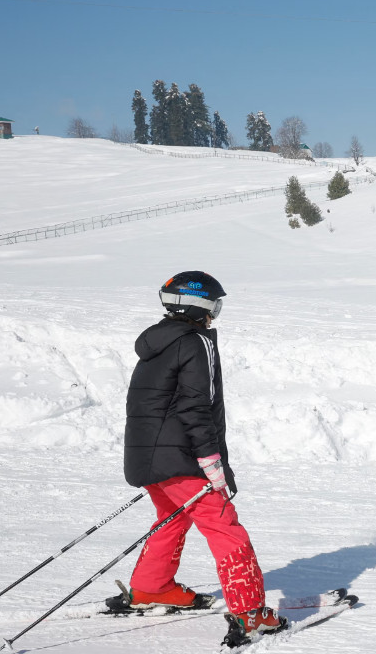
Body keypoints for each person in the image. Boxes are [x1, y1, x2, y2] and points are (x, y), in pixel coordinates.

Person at [113, 271, 286, 643]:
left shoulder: (157, 343)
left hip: (148, 458)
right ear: (200, 307)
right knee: (225, 525)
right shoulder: (196, 342)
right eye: (216, 306)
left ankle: (152, 587)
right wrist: (212, 463)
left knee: (172, 518)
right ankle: (251, 612)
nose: (216, 314)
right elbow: (197, 407)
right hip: (183, 458)